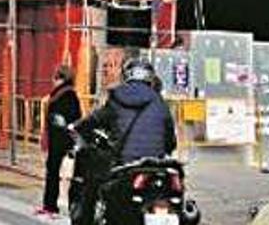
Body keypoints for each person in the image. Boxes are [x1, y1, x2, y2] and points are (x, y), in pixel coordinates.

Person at [69, 58, 177, 224]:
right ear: (150, 78)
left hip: (124, 165)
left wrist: (76, 127)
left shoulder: (116, 98)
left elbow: (94, 120)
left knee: (94, 183)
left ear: (126, 76)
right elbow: (171, 141)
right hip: (156, 165)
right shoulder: (160, 103)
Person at [36, 65, 81, 217]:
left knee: (53, 172)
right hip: (60, 138)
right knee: (53, 171)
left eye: (55, 77)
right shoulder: (65, 94)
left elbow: (67, 118)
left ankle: (51, 206)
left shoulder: (65, 95)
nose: (53, 80)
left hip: (60, 139)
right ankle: (50, 205)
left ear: (61, 78)